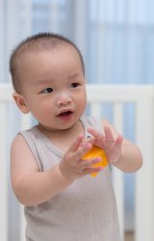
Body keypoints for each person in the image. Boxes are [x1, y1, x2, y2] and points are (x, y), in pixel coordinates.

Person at [9, 32, 143, 241]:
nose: (65, 98)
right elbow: (25, 193)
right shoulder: (27, 143)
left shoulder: (99, 130)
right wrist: (64, 173)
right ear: (23, 103)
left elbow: (136, 163)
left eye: (74, 85)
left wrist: (118, 154)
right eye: (48, 89)